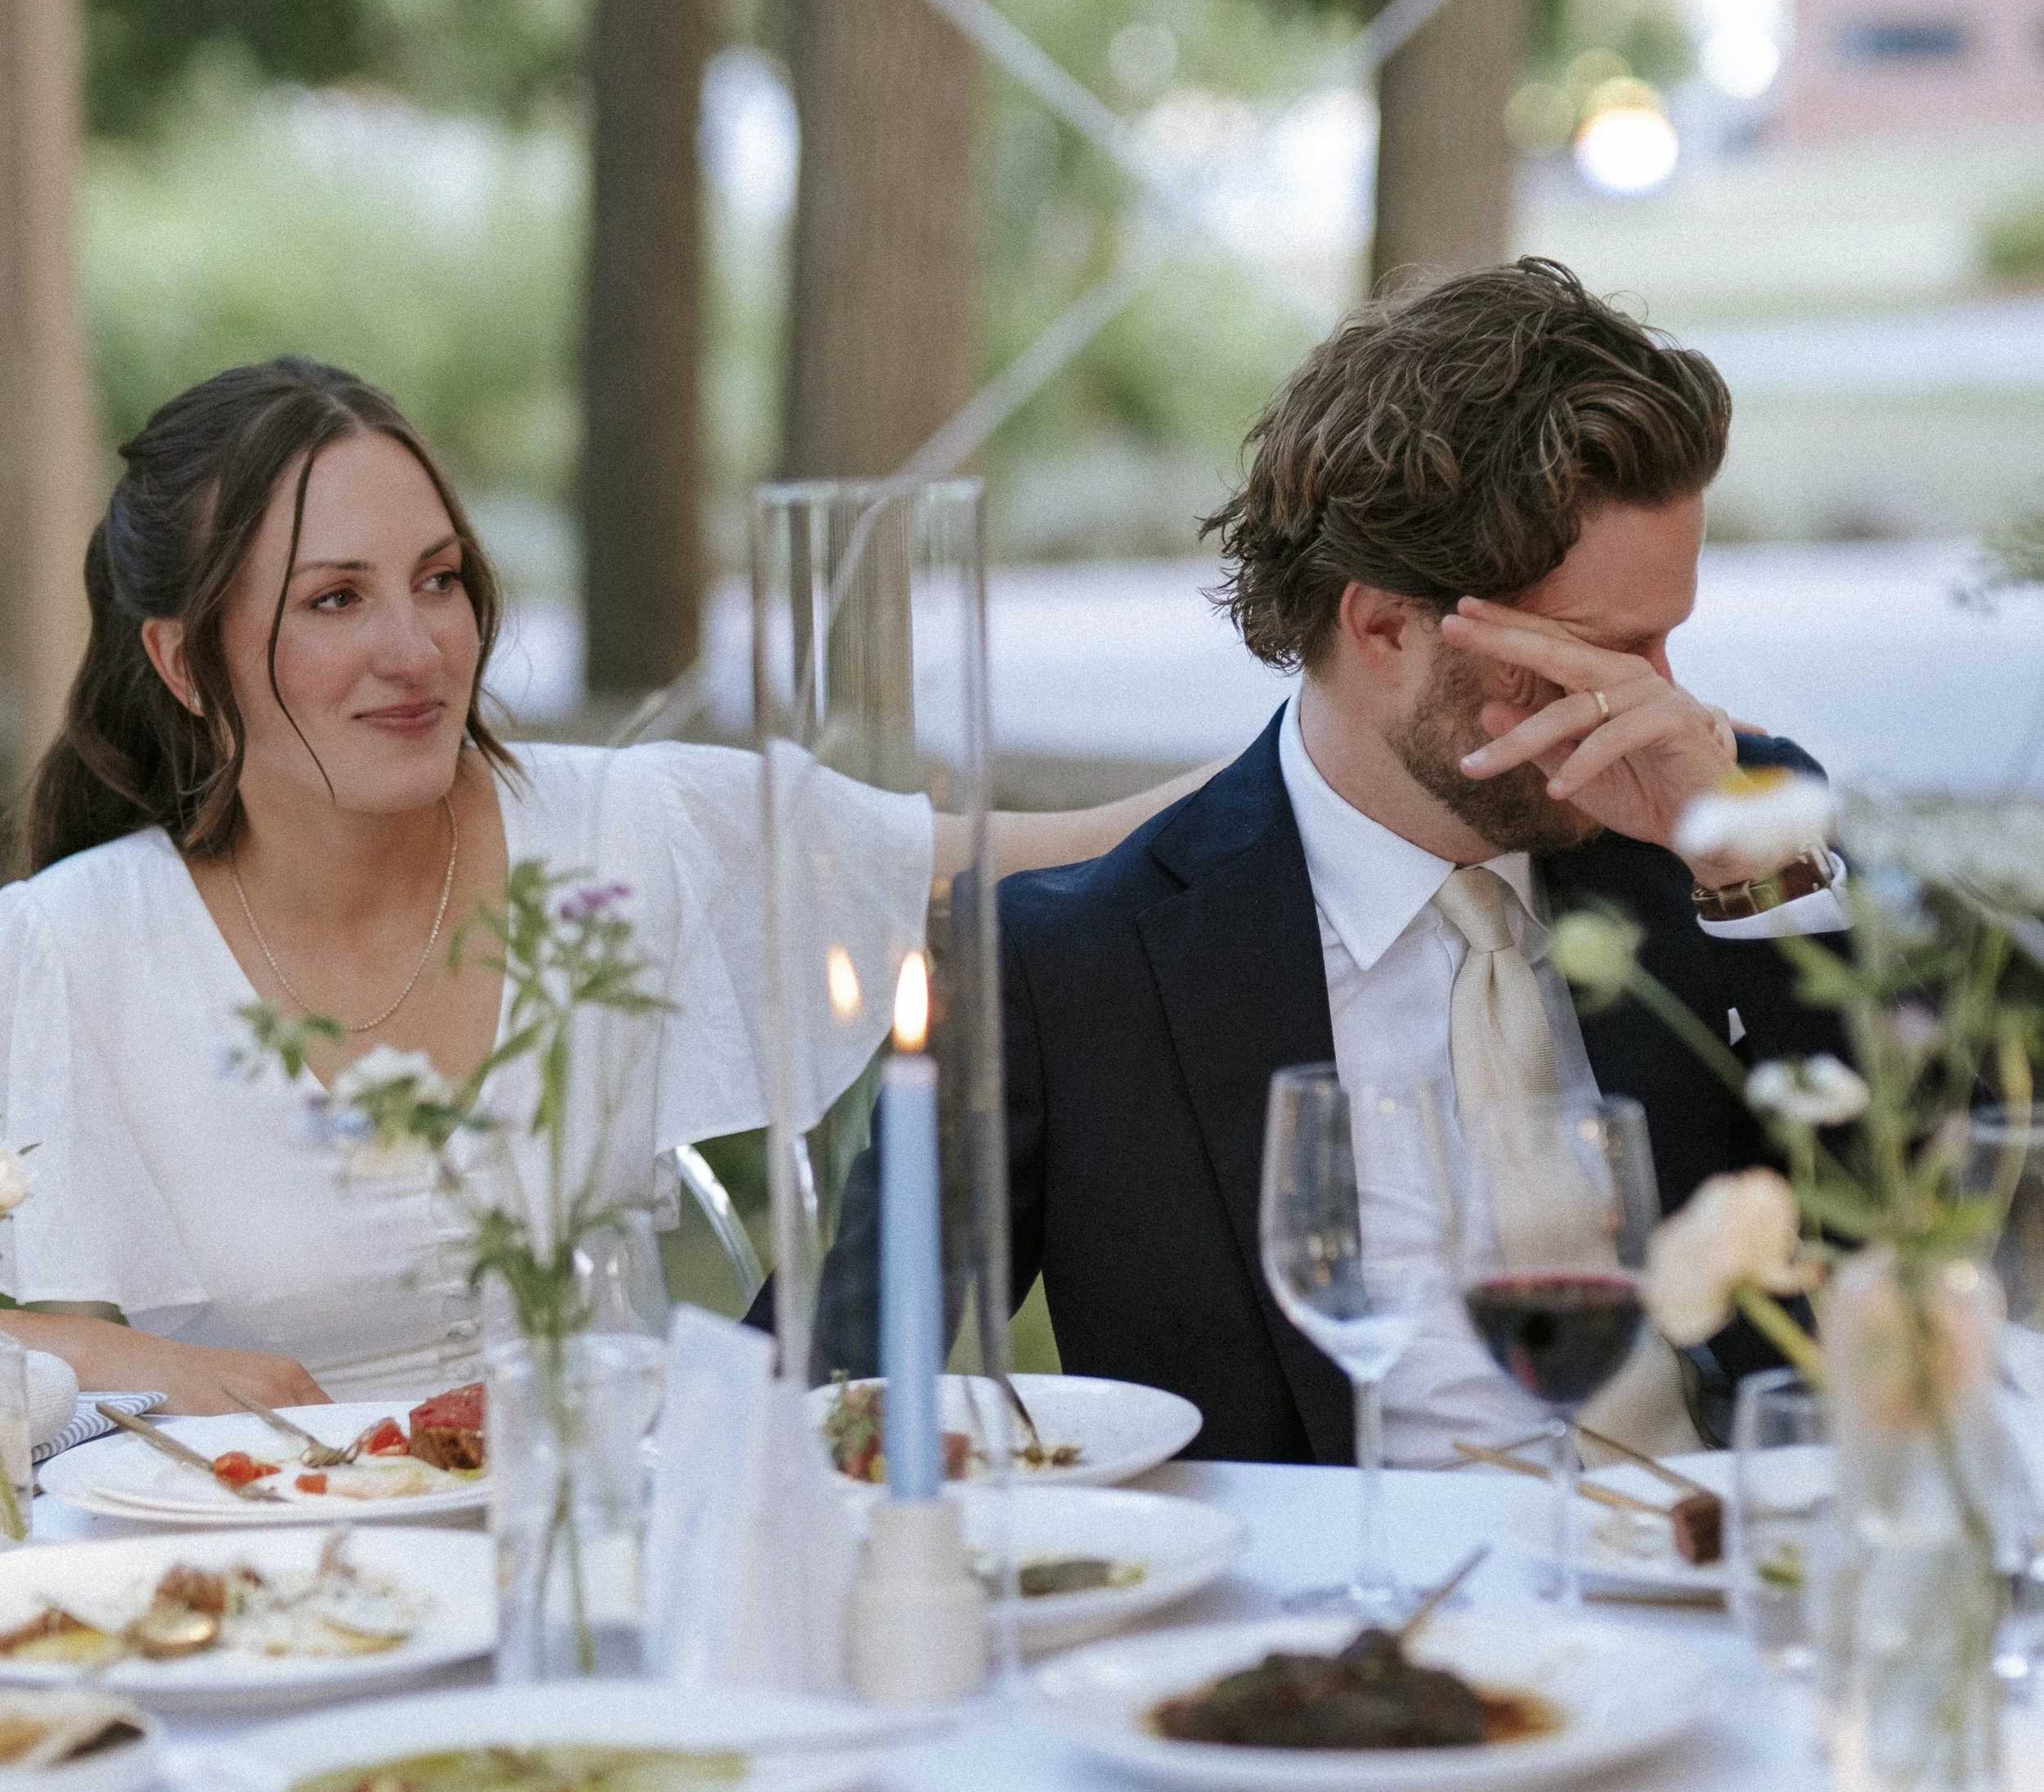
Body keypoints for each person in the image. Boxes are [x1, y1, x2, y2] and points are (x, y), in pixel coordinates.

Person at [0, 358, 1211, 1412]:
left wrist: (1320, 756)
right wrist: (101, 1353)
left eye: (437, 578)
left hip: (616, 1561)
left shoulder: (632, 827)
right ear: (182, 661)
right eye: (335, 599)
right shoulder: (69, 943)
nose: (418, 650)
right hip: (280, 1594)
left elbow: (1079, 852)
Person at [995, 258, 1848, 1463]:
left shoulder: (1725, 822)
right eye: (1603, 647)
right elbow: (828, 1389)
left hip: (1734, 1592)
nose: (1659, 694)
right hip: (1342, 1626)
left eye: (1669, 638)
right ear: (1386, 623)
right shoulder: (1079, 967)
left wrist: (1757, 878)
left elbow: (1938, 1217)